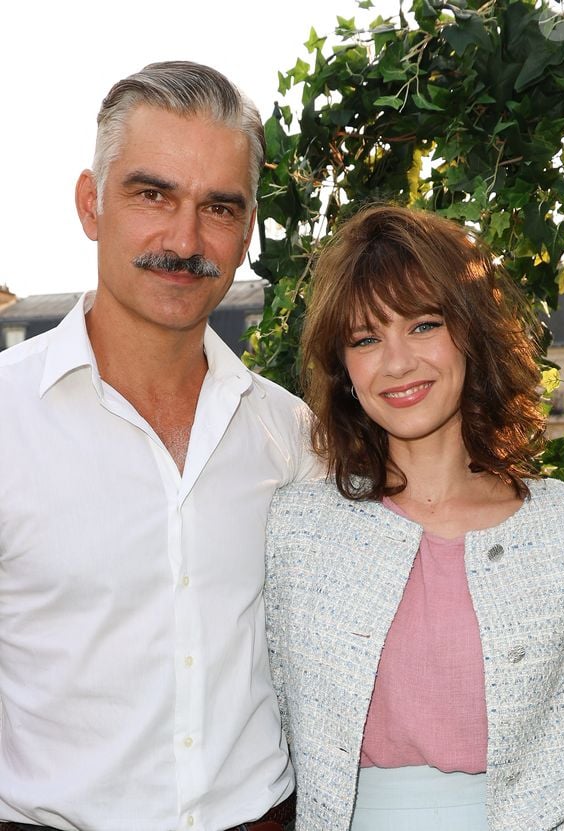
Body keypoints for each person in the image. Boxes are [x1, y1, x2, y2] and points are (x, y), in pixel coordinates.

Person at [0, 61, 318, 831]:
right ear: (91, 203)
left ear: (246, 231)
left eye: (219, 207)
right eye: (154, 194)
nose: (185, 239)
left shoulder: (292, 434)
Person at [264, 205, 564, 831]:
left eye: (423, 325)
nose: (398, 362)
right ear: (345, 370)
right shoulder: (296, 531)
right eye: (366, 338)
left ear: (470, 334)